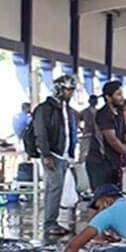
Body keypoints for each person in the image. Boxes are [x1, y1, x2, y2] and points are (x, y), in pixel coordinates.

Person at [32, 74, 79, 236]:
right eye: (67, 89)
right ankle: (50, 223)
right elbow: (41, 133)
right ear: (59, 89)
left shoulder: (66, 109)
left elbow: (68, 131)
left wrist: (70, 153)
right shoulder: (44, 109)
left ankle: (52, 221)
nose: (70, 93)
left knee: (56, 189)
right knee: (54, 188)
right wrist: (46, 154)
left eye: (72, 90)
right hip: (53, 154)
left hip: (63, 155)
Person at [86, 80, 126, 190]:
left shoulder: (119, 113)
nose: (122, 98)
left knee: (115, 196)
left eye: (122, 94)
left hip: (113, 162)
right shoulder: (104, 114)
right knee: (102, 199)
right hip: (100, 162)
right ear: (108, 97)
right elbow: (113, 141)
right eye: (118, 95)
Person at [77, 95, 100, 196]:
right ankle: (84, 182)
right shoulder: (85, 112)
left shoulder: (99, 112)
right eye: (92, 100)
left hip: (96, 136)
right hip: (87, 136)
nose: (93, 102)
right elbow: (77, 119)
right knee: (83, 157)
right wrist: (81, 129)